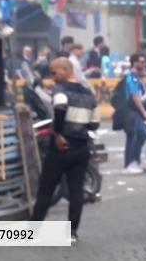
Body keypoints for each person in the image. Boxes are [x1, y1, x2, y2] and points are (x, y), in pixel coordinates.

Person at [30, 58, 100, 244]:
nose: (52, 78)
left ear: (66, 70)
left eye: (54, 73)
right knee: (76, 190)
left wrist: (59, 134)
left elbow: (59, 108)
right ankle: (72, 232)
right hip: (82, 146)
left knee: (46, 188)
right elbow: (95, 122)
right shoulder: (88, 93)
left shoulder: (60, 90)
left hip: (62, 147)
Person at [121, 54, 146, 174]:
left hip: (142, 111)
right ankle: (132, 161)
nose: (144, 65)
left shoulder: (138, 78)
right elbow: (136, 98)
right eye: (141, 62)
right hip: (134, 112)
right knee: (138, 135)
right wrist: (144, 112)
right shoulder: (131, 78)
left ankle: (143, 160)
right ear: (135, 63)